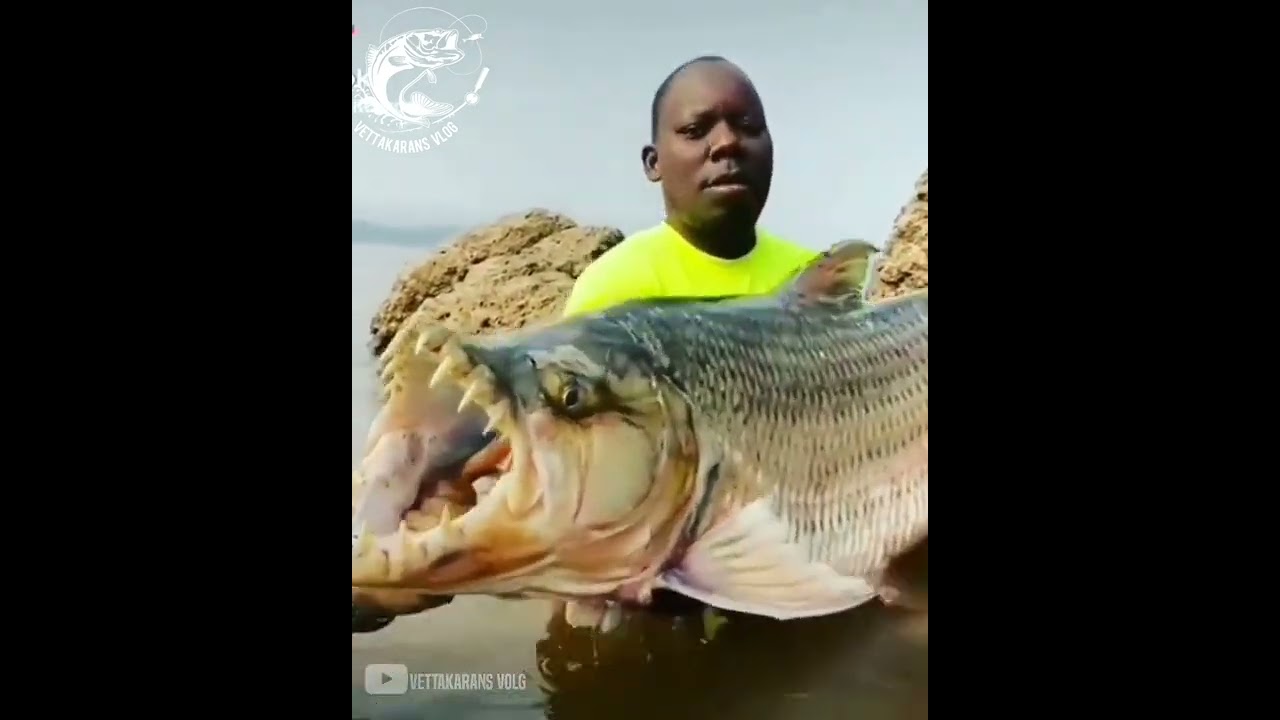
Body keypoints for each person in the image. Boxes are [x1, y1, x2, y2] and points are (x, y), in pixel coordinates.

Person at [561, 56, 822, 318]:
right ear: (654, 163)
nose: (727, 142)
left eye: (747, 126)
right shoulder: (614, 292)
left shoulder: (819, 282)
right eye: (695, 130)